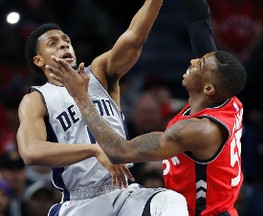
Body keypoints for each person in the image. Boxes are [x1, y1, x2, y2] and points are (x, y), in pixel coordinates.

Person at [47, 0, 247, 215]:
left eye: (199, 65)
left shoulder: (197, 131)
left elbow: (120, 152)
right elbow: (199, 21)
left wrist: (81, 97)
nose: (192, 61)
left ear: (207, 88)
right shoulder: (224, 95)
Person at [16, 0, 189, 215]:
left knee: (170, 201)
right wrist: (95, 150)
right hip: (80, 200)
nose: (63, 45)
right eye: (53, 43)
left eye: (66, 41)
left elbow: (134, 38)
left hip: (125, 192)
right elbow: (31, 151)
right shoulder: (37, 98)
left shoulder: (99, 74)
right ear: (39, 60)